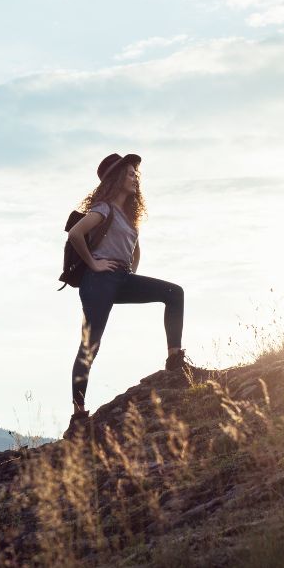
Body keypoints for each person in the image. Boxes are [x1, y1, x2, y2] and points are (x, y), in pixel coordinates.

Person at [65, 153, 192, 438]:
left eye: (137, 173)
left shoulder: (128, 216)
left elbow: (135, 248)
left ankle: (175, 361)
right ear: (116, 178)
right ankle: (78, 414)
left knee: (174, 293)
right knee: (90, 346)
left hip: (120, 278)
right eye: (130, 173)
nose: (136, 178)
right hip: (98, 281)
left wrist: (131, 272)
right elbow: (75, 233)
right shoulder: (104, 208)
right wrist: (94, 263)